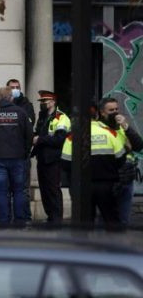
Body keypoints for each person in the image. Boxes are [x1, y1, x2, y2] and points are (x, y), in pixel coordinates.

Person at [61, 102, 128, 230]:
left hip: (82, 187)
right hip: (107, 185)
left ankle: (87, 248)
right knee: (112, 221)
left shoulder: (72, 137)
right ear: (97, 115)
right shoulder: (110, 133)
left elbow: (65, 163)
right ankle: (114, 247)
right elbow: (121, 158)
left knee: (84, 225)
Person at [0, 86, 33, 227]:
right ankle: (20, 221)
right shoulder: (21, 112)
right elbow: (29, 135)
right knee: (19, 191)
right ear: (11, 97)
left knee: (2, 193)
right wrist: (25, 152)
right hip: (18, 157)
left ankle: (3, 222)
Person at [96, 97, 143, 226]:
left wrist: (126, 127)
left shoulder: (121, 127)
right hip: (108, 179)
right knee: (105, 221)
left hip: (126, 179)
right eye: (111, 110)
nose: (115, 112)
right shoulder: (98, 128)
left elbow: (139, 145)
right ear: (102, 112)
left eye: (117, 109)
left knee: (123, 221)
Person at [32, 90, 70, 226]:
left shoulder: (61, 118)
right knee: (44, 190)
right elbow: (37, 133)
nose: (42, 103)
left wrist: (39, 139)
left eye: (44, 101)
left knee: (53, 189)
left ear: (52, 102)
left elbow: (60, 139)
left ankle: (56, 218)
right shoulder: (42, 116)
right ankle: (50, 216)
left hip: (54, 159)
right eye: (41, 101)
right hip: (42, 158)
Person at [7, 79, 35, 221]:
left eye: (17, 87)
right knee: (8, 190)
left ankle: (25, 217)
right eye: (12, 87)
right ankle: (10, 218)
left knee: (23, 189)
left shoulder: (27, 105)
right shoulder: (3, 106)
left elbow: (29, 125)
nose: (16, 89)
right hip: (7, 153)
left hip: (22, 154)